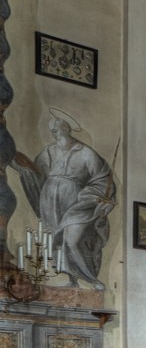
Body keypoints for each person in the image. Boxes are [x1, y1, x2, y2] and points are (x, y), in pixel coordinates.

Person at [17, 111, 114, 287]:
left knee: (72, 239)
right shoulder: (48, 151)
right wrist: (22, 167)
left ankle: (91, 279)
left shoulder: (85, 152)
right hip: (49, 202)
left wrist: (95, 198)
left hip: (76, 204)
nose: (55, 134)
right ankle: (71, 280)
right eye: (52, 131)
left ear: (67, 129)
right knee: (56, 240)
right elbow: (36, 174)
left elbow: (102, 178)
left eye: (58, 129)